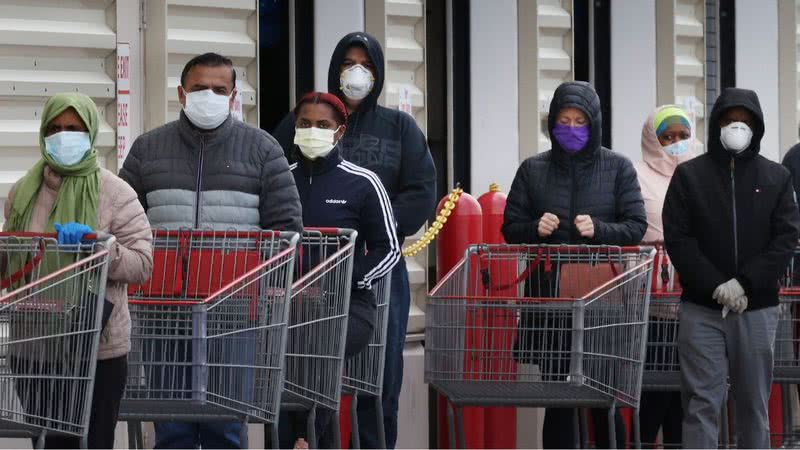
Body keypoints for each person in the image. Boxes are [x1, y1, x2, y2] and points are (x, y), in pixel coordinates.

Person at [119, 52, 302, 449]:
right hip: (162, 309)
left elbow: (286, 229)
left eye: (219, 89)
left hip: (234, 310)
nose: (209, 96)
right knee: (171, 424)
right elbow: (122, 220)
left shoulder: (263, 150)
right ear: (182, 94)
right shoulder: (148, 149)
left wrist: (268, 289)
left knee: (225, 422)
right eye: (200, 88)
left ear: (234, 96)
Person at [273, 32, 436, 448]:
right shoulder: (300, 123)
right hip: (304, 282)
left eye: (364, 63)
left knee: (379, 378)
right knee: (304, 371)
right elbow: (273, 184)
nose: (356, 71)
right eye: (347, 62)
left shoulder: (400, 128)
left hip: (374, 275)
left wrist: (368, 230)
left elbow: (421, 192)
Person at [4, 92, 153, 448]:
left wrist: (101, 247)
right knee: (49, 443)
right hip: (34, 347)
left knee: (92, 442)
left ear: (89, 133)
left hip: (96, 348)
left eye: (73, 128)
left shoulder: (115, 192)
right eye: (55, 127)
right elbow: (12, 260)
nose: (63, 135)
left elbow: (142, 264)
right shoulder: (23, 192)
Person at [502, 81, 647, 449]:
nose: (570, 128)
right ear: (551, 124)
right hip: (550, 301)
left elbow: (636, 226)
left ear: (594, 124)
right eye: (563, 120)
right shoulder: (533, 169)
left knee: (602, 396)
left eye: (579, 121)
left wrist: (599, 229)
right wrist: (534, 228)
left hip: (602, 300)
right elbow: (510, 228)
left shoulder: (617, 168)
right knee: (558, 398)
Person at [663, 88, 800, 448]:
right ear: (716, 124)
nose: (736, 126)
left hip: (757, 310)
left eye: (744, 120)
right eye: (728, 119)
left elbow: (785, 239)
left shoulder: (776, 178)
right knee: (701, 403)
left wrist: (745, 284)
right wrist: (715, 285)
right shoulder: (690, 177)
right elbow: (679, 238)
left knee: (753, 405)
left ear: (756, 126)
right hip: (702, 309)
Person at [280, 91, 401, 448]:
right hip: (290, 308)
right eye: (304, 124)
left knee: (322, 347)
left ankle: (306, 438)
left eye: (322, 125)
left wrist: (341, 284)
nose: (312, 130)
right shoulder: (281, 179)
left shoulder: (363, 182)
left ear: (340, 131)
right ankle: (299, 438)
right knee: (282, 361)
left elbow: (388, 248)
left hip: (350, 309)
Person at [634, 105, 698, 447]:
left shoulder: (703, 174)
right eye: (667, 137)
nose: (676, 143)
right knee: (654, 396)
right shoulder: (636, 174)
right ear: (652, 139)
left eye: (683, 137)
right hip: (654, 306)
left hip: (698, 305)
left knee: (686, 401)